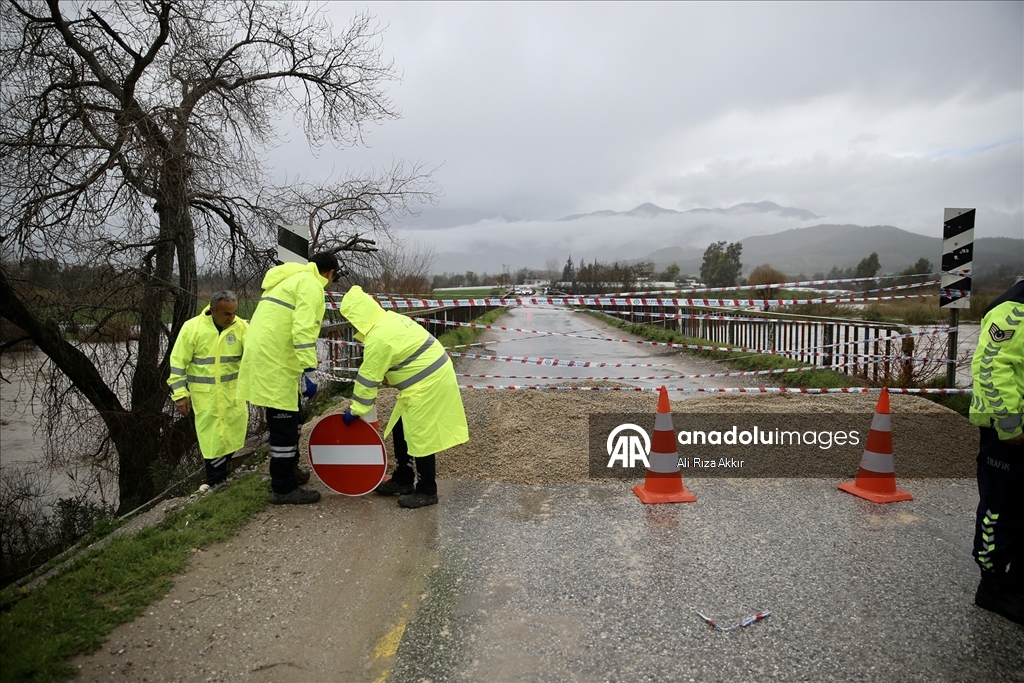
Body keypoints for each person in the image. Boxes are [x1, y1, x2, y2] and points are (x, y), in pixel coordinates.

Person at [340, 285, 468, 508]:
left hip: (427, 383)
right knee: (401, 427)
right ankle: (403, 479)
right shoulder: (389, 320)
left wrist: (356, 409)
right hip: (429, 376)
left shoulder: (378, 339)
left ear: (357, 318)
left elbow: (368, 379)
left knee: (421, 436)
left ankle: (427, 491)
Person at [238, 253, 339, 505]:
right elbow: (303, 329)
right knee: (284, 425)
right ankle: (283, 488)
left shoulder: (290, 280)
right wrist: (310, 369)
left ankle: (290, 472)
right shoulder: (311, 285)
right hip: (276, 362)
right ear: (330, 273)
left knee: (290, 420)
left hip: (269, 358)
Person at [968, 275, 1024, 625]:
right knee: (1001, 508)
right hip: (1009, 436)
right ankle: (992, 585)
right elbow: (990, 370)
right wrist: (1011, 428)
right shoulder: (1012, 310)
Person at [167, 291, 249, 490]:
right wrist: (180, 395)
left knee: (233, 434)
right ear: (213, 311)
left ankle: (225, 474)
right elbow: (178, 364)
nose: (231, 318)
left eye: (234, 313)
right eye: (227, 314)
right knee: (211, 438)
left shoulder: (242, 327)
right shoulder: (192, 328)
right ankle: (215, 481)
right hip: (206, 395)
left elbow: (253, 357)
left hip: (233, 393)